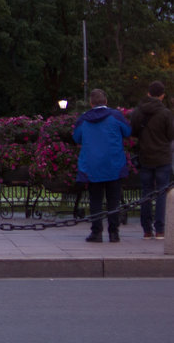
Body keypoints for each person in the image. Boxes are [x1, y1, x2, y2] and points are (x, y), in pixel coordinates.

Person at [74, 88, 133, 243]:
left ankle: (96, 232)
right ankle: (114, 233)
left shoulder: (84, 119)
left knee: (95, 201)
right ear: (106, 101)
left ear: (91, 103)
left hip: (92, 165)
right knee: (113, 200)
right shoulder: (115, 116)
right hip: (113, 163)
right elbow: (127, 131)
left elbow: (77, 137)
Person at [131, 81, 174, 240]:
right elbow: (171, 135)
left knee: (146, 192)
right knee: (162, 192)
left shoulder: (138, 112)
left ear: (148, 93)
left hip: (145, 156)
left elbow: (133, 132)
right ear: (162, 95)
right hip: (162, 157)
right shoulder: (165, 113)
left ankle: (146, 230)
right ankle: (160, 229)